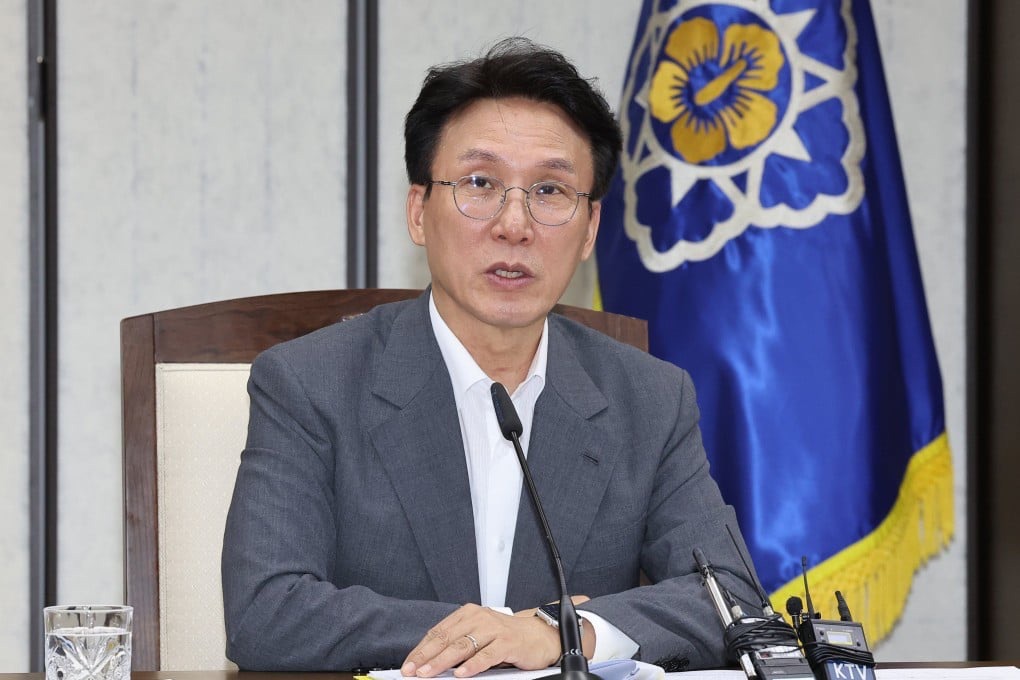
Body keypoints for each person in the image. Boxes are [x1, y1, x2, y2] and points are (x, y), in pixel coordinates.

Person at [221, 37, 761, 676]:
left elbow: (730, 600)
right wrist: (497, 636)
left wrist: (562, 633)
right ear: (418, 212)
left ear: (589, 230)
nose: (515, 225)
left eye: (550, 191)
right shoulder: (310, 383)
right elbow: (267, 611)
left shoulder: (649, 398)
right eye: (480, 183)